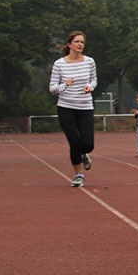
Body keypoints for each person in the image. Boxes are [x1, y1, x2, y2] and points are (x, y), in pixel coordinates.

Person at [49, 31, 97, 187]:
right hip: (66, 108)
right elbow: (52, 88)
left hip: (85, 107)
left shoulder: (89, 62)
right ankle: (79, 175)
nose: (80, 44)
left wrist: (90, 86)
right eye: (77, 41)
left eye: (82, 42)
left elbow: (94, 80)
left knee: (88, 144)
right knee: (74, 143)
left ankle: (84, 154)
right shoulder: (59, 64)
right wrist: (65, 85)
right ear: (69, 44)